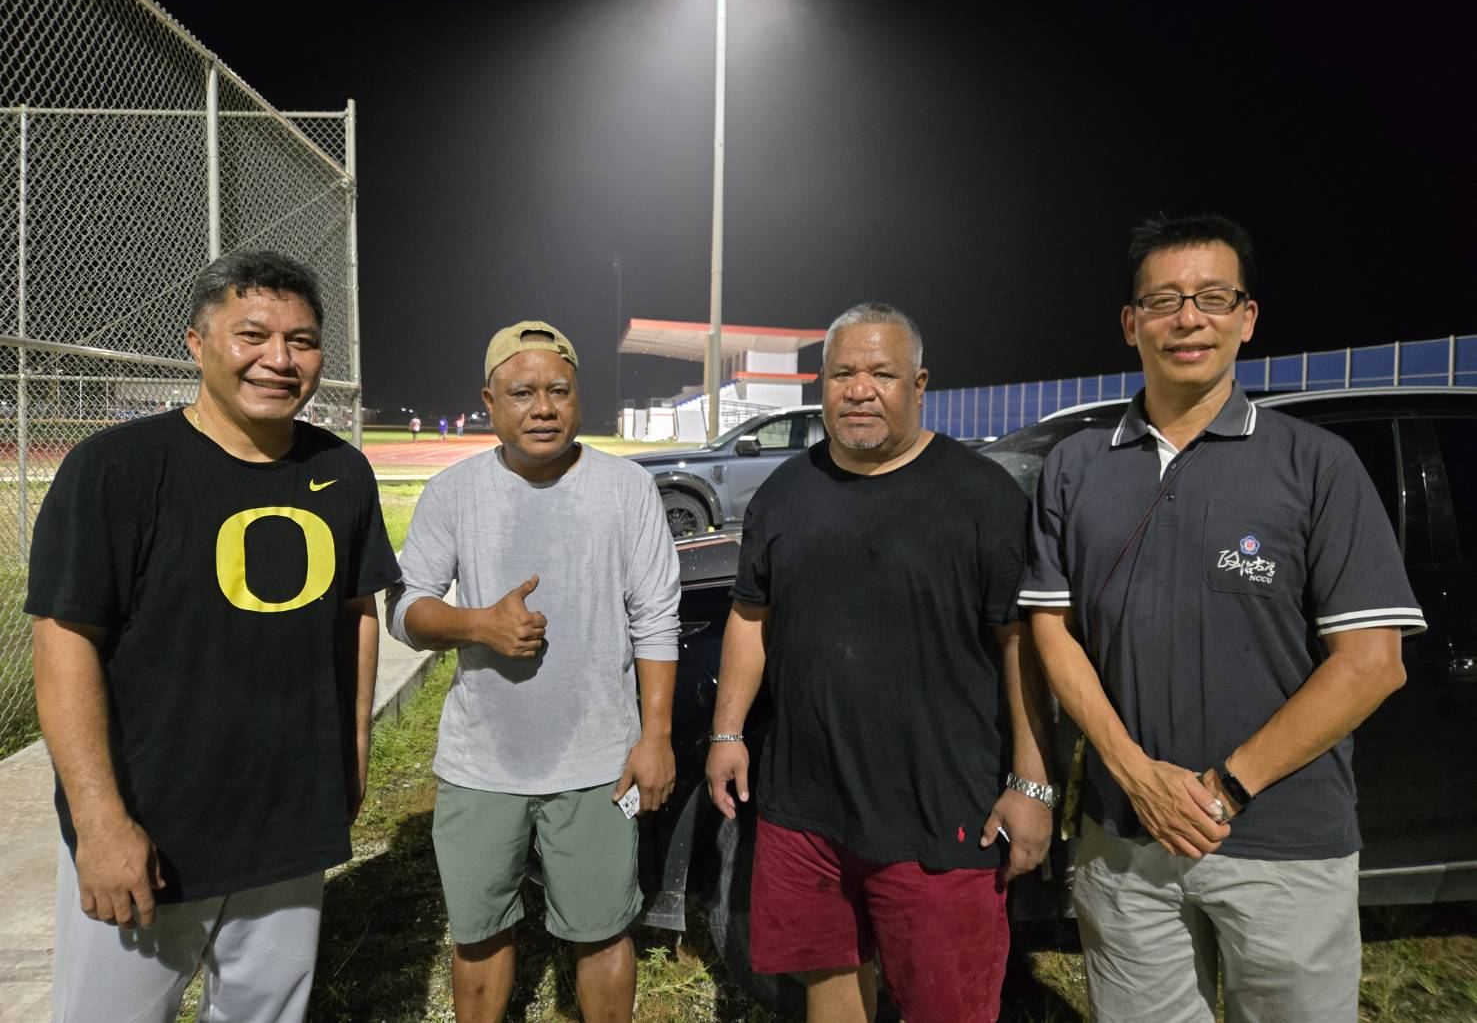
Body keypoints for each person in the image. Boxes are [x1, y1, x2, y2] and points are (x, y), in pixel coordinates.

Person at [1019, 214, 1425, 1021]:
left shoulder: (1314, 465)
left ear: (1246, 318)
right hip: (1123, 837)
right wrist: (1137, 777)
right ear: (1131, 324)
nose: (1187, 317)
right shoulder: (1073, 468)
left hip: (1283, 842)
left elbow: (1373, 661)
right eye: (1163, 300)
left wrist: (1222, 790)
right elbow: (1050, 632)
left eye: (1210, 296)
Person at [28, 250, 401, 1022]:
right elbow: (64, 642)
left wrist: (350, 760)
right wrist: (100, 824)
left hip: (286, 819)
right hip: (150, 826)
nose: (279, 360)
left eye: (301, 340)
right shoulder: (115, 469)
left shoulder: (344, 472)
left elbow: (354, 616)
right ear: (197, 345)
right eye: (252, 335)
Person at [705, 302, 1055, 1023]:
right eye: (842, 373)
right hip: (805, 808)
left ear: (918, 385)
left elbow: (1020, 645)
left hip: (940, 815)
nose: (859, 389)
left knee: (946, 1007)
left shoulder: (982, 498)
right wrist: (727, 731)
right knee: (828, 987)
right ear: (822, 384)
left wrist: (1032, 783)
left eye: (881, 373)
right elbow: (749, 615)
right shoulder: (783, 494)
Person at [388, 319, 680, 1023]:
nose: (542, 407)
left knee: (602, 929)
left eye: (559, 390)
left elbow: (657, 619)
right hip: (482, 760)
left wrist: (655, 737)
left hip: (598, 758)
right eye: (522, 392)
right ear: (488, 402)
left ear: (579, 399)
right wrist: (474, 624)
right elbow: (406, 607)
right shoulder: (454, 493)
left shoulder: (627, 489)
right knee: (479, 931)